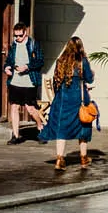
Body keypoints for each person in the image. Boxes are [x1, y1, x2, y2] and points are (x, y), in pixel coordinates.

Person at [38, 30, 96, 172]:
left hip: (62, 101)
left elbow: (55, 81)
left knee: (61, 129)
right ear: (80, 48)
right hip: (79, 101)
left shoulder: (60, 61)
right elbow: (89, 79)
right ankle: (83, 158)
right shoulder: (82, 62)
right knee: (83, 128)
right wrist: (91, 73)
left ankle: (60, 159)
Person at [5, 23, 43, 143]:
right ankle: (15, 135)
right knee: (14, 107)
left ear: (25, 33)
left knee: (30, 108)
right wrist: (6, 67)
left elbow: (40, 61)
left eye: (20, 36)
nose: (17, 38)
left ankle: (40, 126)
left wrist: (27, 67)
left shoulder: (33, 44)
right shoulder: (14, 45)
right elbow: (9, 60)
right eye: (15, 36)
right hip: (15, 81)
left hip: (29, 81)